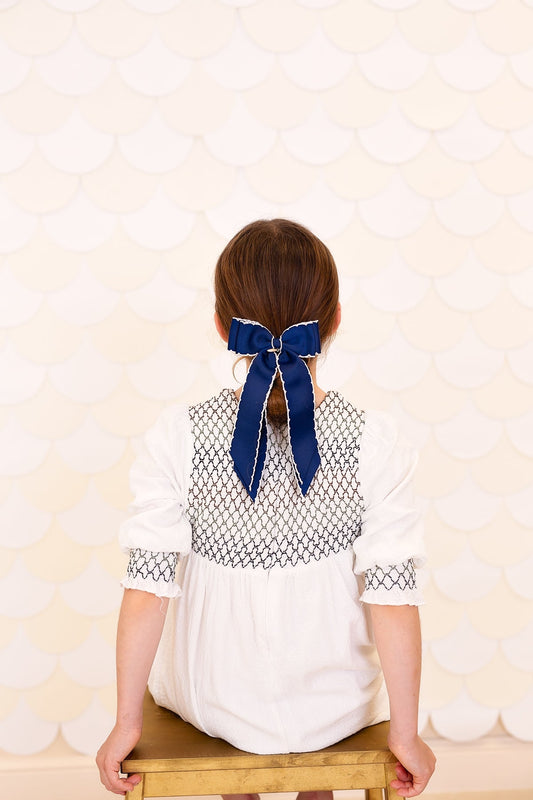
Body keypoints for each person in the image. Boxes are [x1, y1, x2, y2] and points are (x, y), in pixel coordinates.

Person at [96, 218, 436, 799]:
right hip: (335, 704)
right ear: (333, 322)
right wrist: (406, 732)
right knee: (329, 698)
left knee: (224, 690)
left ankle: (239, 789)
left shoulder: (179, 436)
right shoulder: (374, 443)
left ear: (222, 326)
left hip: (215, 699)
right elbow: (392, 597)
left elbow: (148, 587)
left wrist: (126, 722)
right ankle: (318, 787)